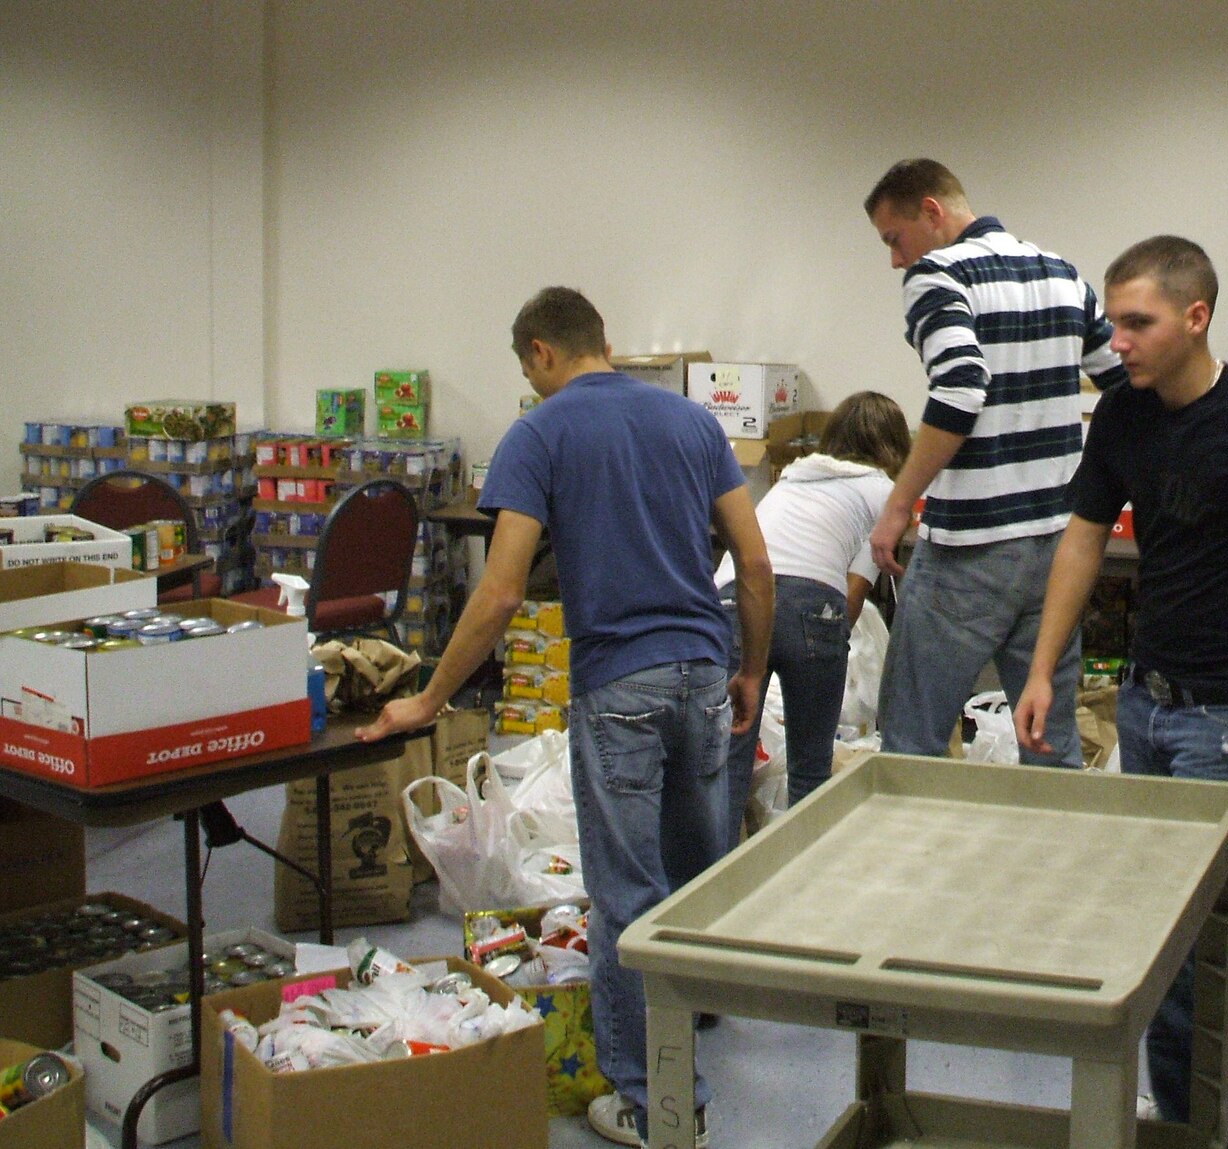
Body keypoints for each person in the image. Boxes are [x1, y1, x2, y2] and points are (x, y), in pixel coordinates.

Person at [360, 287, 773, 1149]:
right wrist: (750, 669)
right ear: (605, 340)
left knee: (627, 892)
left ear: (542, 353)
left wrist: (430, 698)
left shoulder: (538, 432)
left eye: (526, 370)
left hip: (619, 682)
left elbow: (502, 588)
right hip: (703, 672)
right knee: (696, 875)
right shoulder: (693, 424)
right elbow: (755, 557)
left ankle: (656, 1102)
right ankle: (690, 1023)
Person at [1014, 236, 1228, 1142]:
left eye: (1138, 323)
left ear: (1196, 318)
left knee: (1188, 941)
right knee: (1157, 925)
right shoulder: (1124, 414)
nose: (1118, 340)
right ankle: (1216, 1104)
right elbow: (1082, 539)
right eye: (1113, 321)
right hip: (1148, 705)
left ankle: (1207, 1115)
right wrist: (1044, 667)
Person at [862, 158, 1128, 767]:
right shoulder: (1062, 274)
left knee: (911, 743)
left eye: (893, 239)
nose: (896, 260)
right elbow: (1125, 385)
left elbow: (959, 387)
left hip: (971, 550)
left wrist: (898, 504)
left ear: (931, 211)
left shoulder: (938, 275)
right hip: (1057, 545)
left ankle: (916, 862)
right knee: (1049, 741)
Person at [716, 390, 910, 834]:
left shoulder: (792, 478)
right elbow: (852, 598)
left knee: (727, 766)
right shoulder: (883, 491)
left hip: (734, 602)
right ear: (895, 446)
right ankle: (804, 881)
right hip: (811, 610)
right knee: (809, 770)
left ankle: (713, 887)